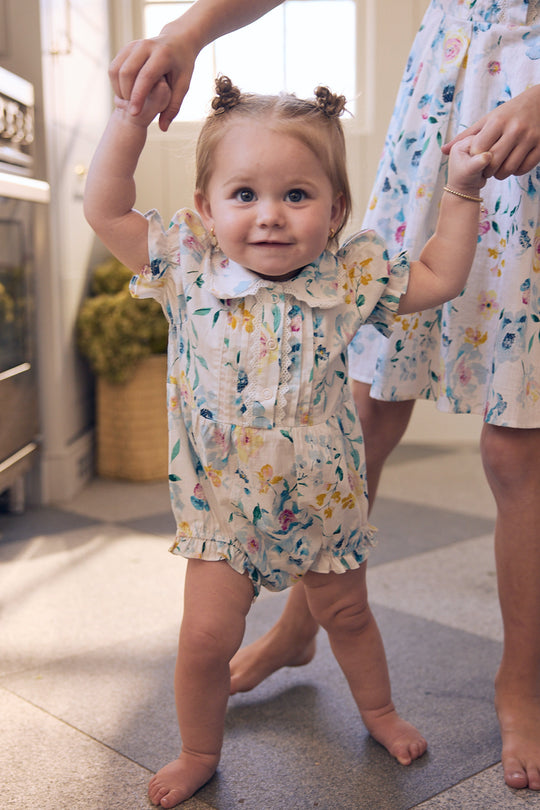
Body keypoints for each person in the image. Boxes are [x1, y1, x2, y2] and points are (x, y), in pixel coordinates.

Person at [107, 0, 540, 793]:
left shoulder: (349, 277)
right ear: (205, 209)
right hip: (223, 518)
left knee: (351, 620)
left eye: (298, 196)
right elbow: (106, 205)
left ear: (337, 212)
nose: (270, 214)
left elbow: (442, 278)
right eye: (244, 195)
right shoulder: (186, 269)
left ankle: (377, 712)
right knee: (205, 640)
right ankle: (201, 752)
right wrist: (131, 118)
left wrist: (463, 192)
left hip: (327, 510)